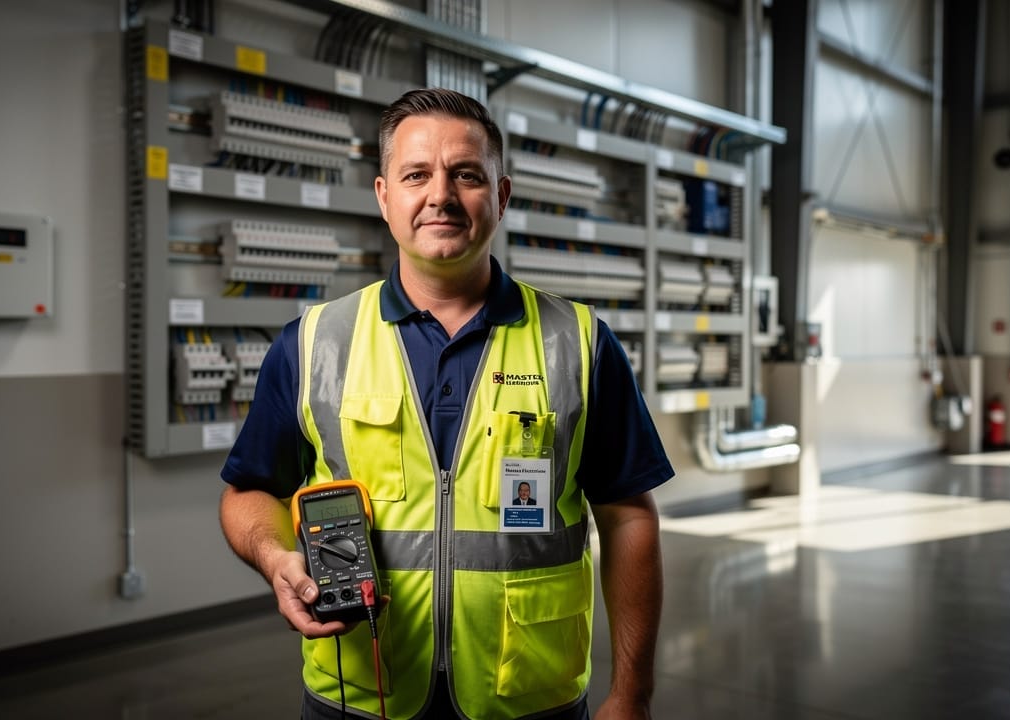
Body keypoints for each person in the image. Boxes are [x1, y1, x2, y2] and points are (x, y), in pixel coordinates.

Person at [219, 87, 673, 720]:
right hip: (360, 694)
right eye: (416, 175)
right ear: (384, 197)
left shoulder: (580, 343)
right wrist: (277, 560)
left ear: (502, 195)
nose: (440, 196)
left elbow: (628, 517)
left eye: (466, 175)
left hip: (528, 698)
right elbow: (248, 492)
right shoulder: (315, 343)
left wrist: (632, 693)